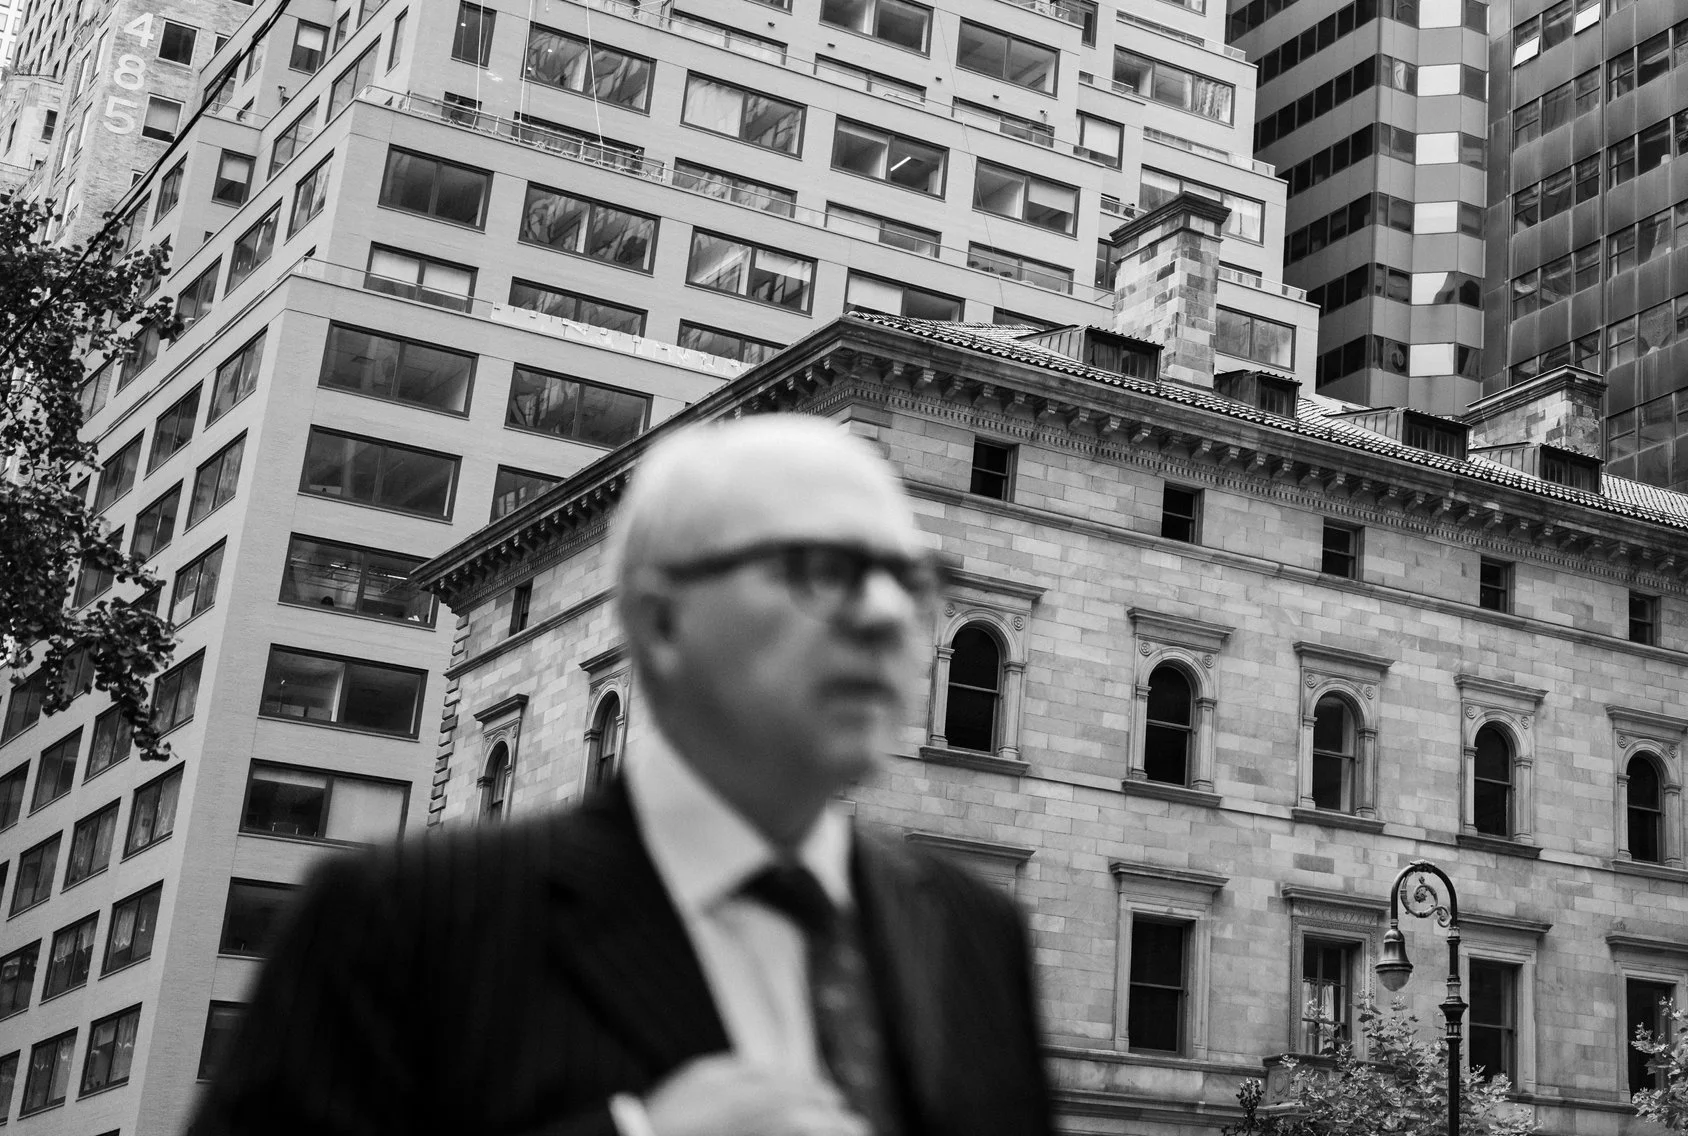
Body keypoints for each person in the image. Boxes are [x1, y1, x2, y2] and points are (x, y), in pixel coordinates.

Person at [191, 415, 1056, 1136]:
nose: (880, 615)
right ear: (661, 620)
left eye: (910, 578)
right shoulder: (403, 921)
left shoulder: (975, 928)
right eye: (819, 569)